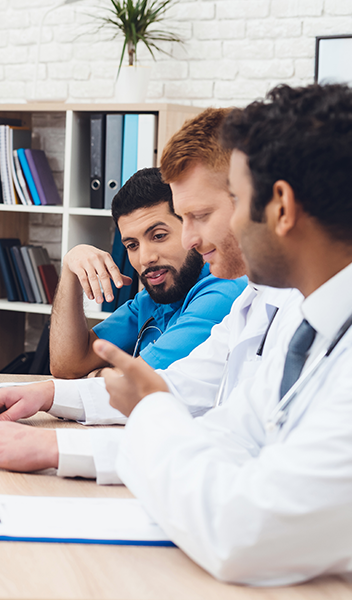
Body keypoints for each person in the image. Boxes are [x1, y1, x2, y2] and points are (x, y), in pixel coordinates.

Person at [0, 107, 300, 478]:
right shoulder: (247, 301)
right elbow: (171, 387)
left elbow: (223, 445)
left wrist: (59, 445)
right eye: (131, 244)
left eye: (197, 217)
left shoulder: (232, 291)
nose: (191, 239)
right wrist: (48, 395)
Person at [94, 83, 352, 586]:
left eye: (237, 197)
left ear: (280, 205)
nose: (195, 239)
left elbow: (245, 535)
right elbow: (235, 435)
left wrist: (150, 411)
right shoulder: (311, 321)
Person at [49, 166, 245, 378]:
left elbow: (134, 382)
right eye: (132, 245)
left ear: (191, 228)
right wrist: (70, 266)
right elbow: (67, 366)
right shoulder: (153, 299)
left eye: (159, 236)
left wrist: (98, 374)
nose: (145, 258)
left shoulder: (226, 289)